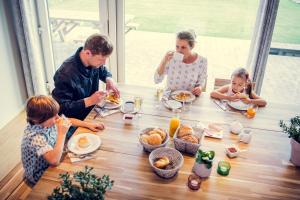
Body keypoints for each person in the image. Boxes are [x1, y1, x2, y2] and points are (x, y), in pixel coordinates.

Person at [21, 95, 105, 185]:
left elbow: (68, 120)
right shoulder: (35, 137)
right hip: (40, 174)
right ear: (39, 120)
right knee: (78, 178)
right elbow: (54, 161)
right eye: (54, 116)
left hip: (54, 157)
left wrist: (88, 124)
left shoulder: (46, 121)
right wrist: (62, 133)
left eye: (57, 114)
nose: (57, 117)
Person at [52, 34, 120, 121]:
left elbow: (102, 70)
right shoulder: (65, 74)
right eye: (101, 59)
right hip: (74, 122)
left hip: (92, 112)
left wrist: (108, 78)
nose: (104, 63)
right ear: (88, 53)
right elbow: (61, 108)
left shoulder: (93, 62)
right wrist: (90, 101)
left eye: (106, 58)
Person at [154, 30, 207, 96]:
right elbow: (157, 80)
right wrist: (164, 60)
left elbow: (201, 82)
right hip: (169, 98)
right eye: (177, 46)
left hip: (189, 98)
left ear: (192, 46)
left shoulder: (202, 61)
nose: (179, 51)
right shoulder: (171, 58)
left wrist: (200, 88)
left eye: (183, 47)